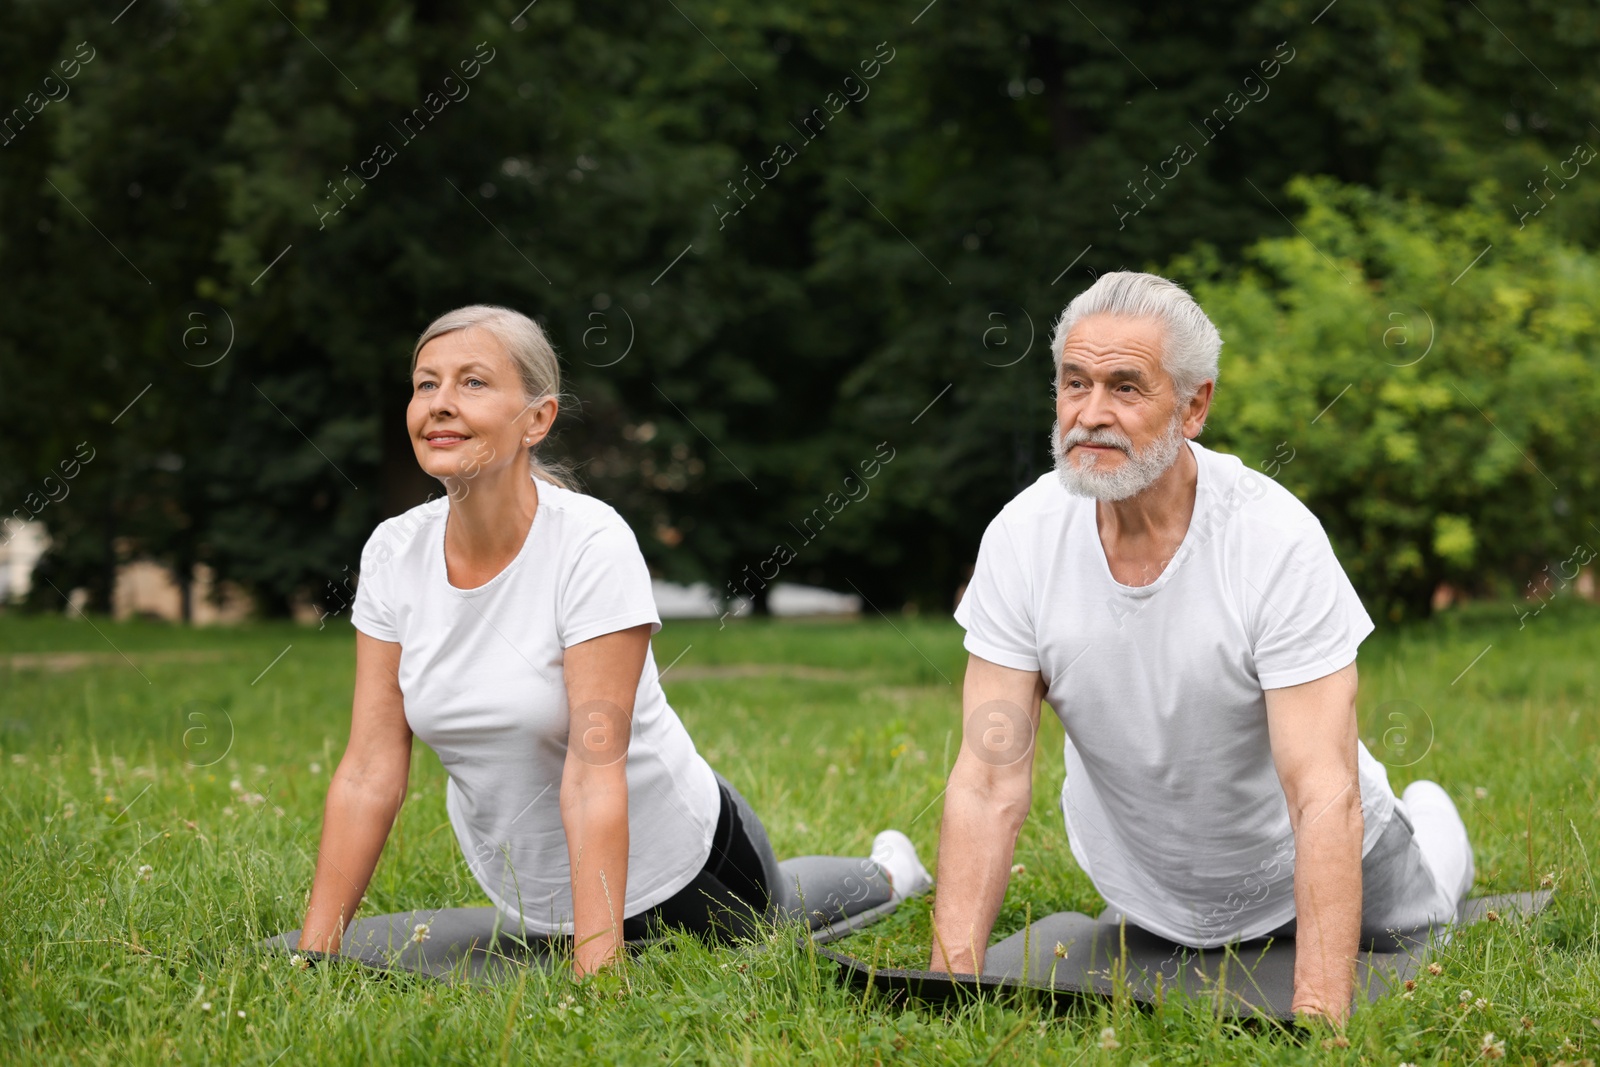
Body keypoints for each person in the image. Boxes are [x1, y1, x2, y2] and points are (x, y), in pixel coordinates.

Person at [298, 304, 931, 976]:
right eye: (426, 384)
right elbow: (369, 768)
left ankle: (892, 871)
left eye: (473, 382)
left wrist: (596, 971)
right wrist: (315, 953)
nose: (441, 403)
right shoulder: (395, 551)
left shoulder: (591, 544)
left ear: (537, 419)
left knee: (779, 911)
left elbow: (593, 770)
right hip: (538, 896)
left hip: (689, 866)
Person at [927, 272, 1473, 1024]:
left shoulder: (1274, 540)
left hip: (1336, 865)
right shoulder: (1021, 540)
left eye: (1125, 387)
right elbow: (987, 783)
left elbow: (1323, 794)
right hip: (1152, 895)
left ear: (1195, 406)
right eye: (1074, 383)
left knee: (1436, 911)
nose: (1090, 414)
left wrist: (1316, 1015)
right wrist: (945, 991)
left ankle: (1438, 820)